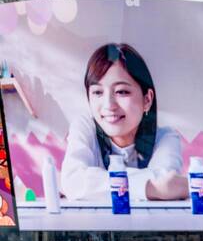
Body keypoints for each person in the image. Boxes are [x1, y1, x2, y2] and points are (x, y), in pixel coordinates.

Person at [60, 43, 187, 204]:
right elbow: (73, 181)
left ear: (147, 99)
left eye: (121, 91)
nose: (109, 105)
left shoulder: (165, 138)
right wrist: (151, 187)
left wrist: (92, 185)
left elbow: (168, 183)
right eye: (98, 92)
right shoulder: (85, 127)